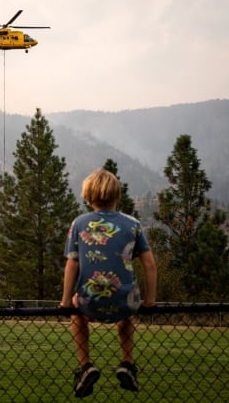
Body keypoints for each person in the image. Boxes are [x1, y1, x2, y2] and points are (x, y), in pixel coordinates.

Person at [60, 169, 157, 398]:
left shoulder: (79, 223)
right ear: (117, 196)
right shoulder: (133, 224)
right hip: (125, 301)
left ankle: (86, 365)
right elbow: (150, 265)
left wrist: (65, 301)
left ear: (88, 197)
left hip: (90, 302)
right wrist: (150, 300)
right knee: (127, 312)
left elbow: (72, 264)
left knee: (76, 310)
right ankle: (127, 362)